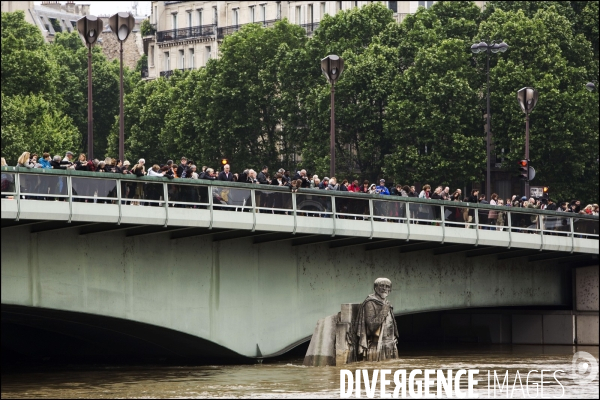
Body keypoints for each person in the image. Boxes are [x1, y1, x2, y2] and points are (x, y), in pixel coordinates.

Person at [354, 278, 399, 362]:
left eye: (387, 286)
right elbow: (371, 326)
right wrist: (384, 310)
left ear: (390, 290)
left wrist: (394, 337)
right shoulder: (370, 303)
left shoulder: (387, 303)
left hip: (390, 345)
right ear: (375, 288)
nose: (384, 288)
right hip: (377, 346)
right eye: (381, 285)